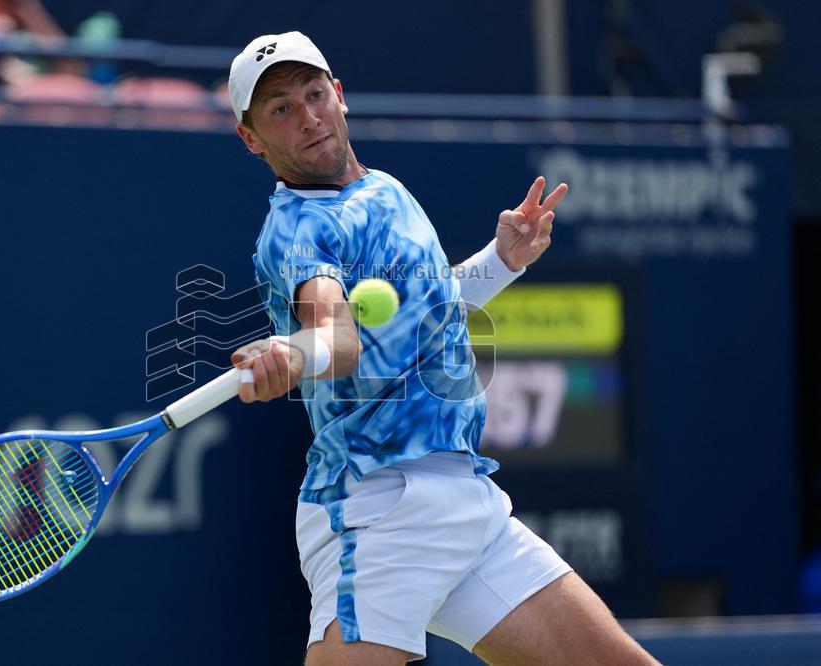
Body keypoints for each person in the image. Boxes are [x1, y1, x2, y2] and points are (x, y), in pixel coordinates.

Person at [226, 32, 658, 665]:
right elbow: (338, 339)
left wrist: (500, 262)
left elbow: (423, 309)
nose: (309, 116)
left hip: (468, 503)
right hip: (380, 511)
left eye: (314, 94)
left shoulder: (386, 191)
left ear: (340, 96)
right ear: (252, 138)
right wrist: (294, 357)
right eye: (281, 109)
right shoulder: (298, 228)